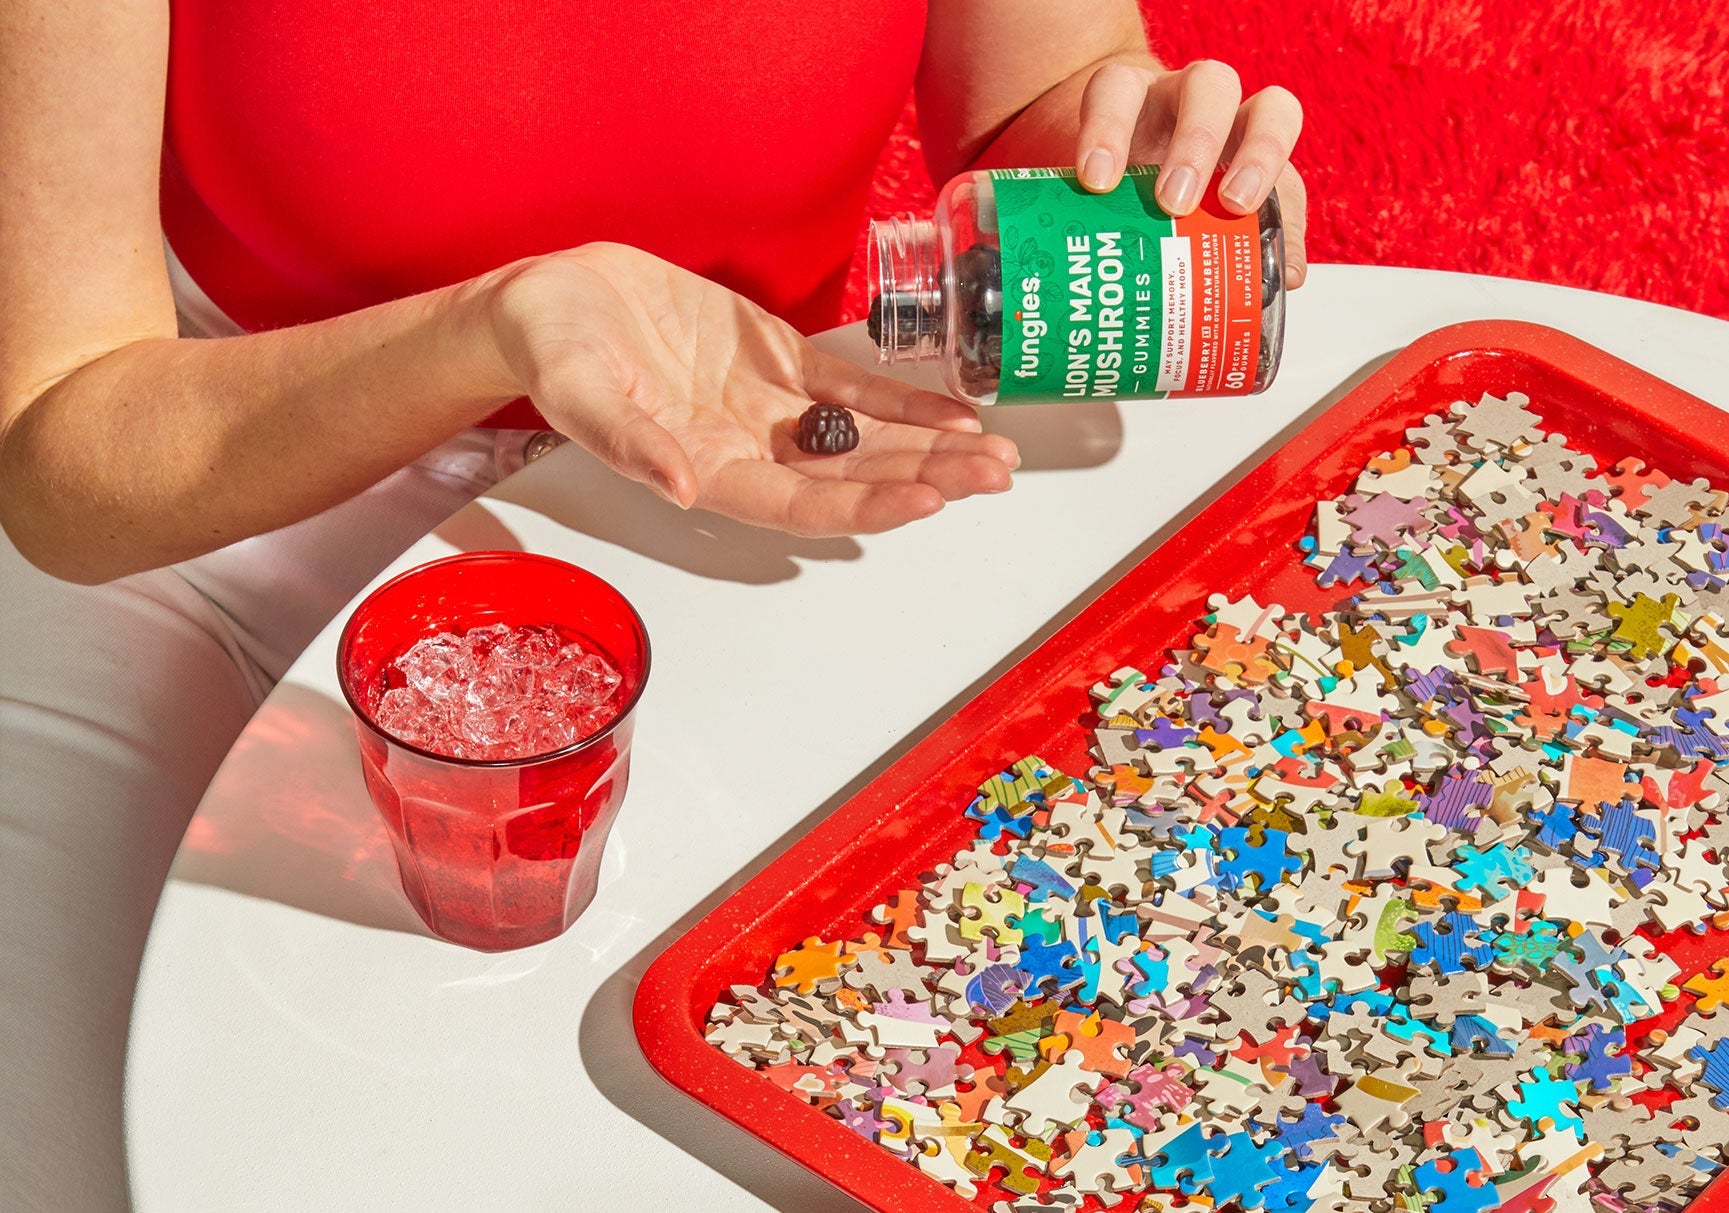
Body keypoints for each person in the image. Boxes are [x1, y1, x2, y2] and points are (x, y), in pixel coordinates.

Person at [0, 0, 1306, 1205]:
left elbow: (1048, 87)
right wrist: (498, 328)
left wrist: (1134, 175)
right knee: (78, 1151)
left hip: (726, 450)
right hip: (228, 472)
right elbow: (67, 459)